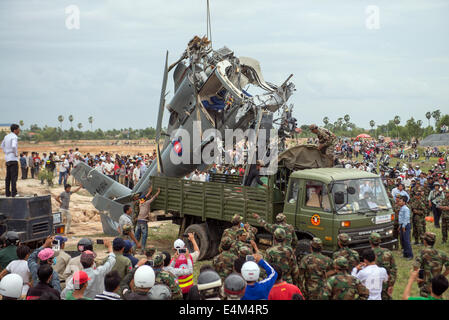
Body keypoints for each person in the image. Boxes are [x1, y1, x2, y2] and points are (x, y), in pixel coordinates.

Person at [412, 232, 449, 297]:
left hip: (425, 286)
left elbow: (415, 266)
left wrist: (417, 277)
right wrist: (441, 276)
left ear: (425, 241)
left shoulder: (422, 253)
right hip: (437, 286)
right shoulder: (442, 254)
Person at [369, 232, 397, 300]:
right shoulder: (388, 252)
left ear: (370, 242)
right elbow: (394, 268)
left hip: (374, 285)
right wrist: (391, 284)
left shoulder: (369, 254)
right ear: (379, 241)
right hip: (386, 283)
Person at [135, 187, 161, 254]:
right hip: (143, 222)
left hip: (138, 221)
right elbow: (154, 198)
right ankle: (142, 250)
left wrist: (149, 192)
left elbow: (145, 197)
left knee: (137, 236)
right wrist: (158, 192)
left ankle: (133, 249)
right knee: (144, 236)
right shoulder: (147, 203)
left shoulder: (140, 204)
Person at [1, 124, 20, 197]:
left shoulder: (6, 136)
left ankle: (7, 193)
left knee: (8, 177)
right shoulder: (14, 137)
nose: (19, 131)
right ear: (15, 130)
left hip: (7, 159)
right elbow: (14, 146)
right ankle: (14, 193)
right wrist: (15, 153)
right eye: (18, 129)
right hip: (13, 158)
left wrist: (6, 152)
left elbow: (2, 146)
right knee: (14, 177)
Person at [397, 195, 413, 259]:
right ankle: (405, 253)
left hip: (405, 225)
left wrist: (403, 226)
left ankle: (410, 255)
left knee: (406, 240)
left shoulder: (406, 209)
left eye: (400, 201)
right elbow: (401, 218)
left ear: (404, 202)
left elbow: (406, 218)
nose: (399, 202)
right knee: (402, 240)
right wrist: (400, 226)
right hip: (402, 225)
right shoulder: (401, 208)